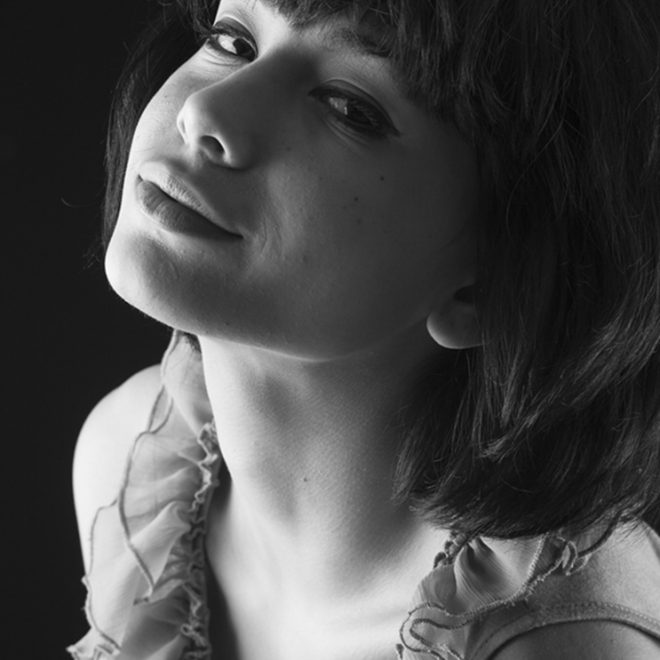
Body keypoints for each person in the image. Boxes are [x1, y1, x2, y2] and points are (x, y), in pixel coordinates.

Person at [68, 0, 660, 658]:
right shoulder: (131, 471)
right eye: (234, 40)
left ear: (492, 284)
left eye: (350, 107)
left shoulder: (564, 642)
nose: (204, 112)